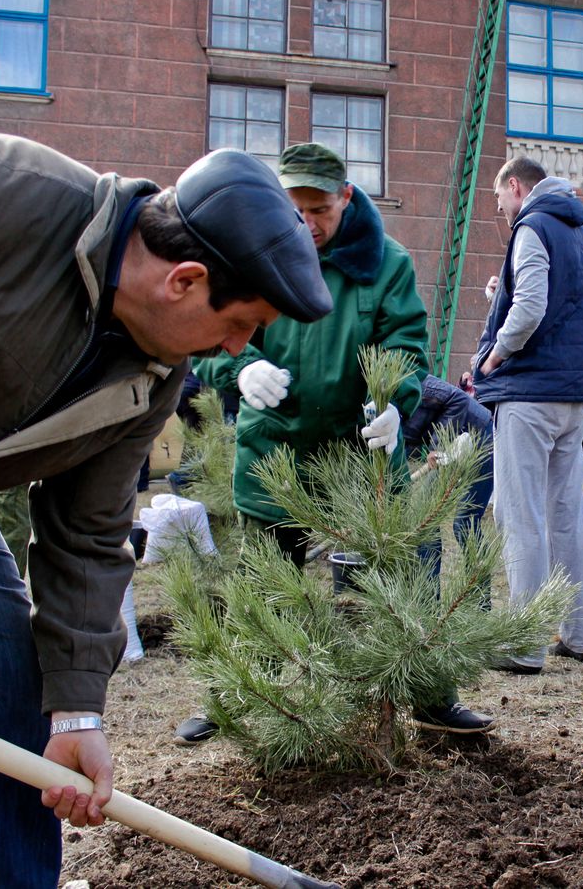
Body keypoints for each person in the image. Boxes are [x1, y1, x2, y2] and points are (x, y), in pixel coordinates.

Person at [0, 132, 332, 886]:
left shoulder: (151, 377)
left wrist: (77, 714)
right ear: (187, 280)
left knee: (12, 686)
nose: (237, 350)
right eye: (242, 324)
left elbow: (89, 532)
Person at [191, 142, 493, 736]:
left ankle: (431, 698)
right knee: (262, 587)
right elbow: (203, 332)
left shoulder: (386, 264)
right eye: (295, 209)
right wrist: (240, 368)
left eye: (320, 210)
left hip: (365, 456)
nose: (308, 224)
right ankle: (237, 698)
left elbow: (406, 348)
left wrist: (393, 404)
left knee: (399, 583)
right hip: (274, 454)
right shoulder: (251, 254)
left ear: (346, 198)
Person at [473, 156, 583, 674]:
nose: (498, 207)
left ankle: (524, 644)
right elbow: (561, 302)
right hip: (572, 395)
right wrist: (497, 297)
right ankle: (579, 634)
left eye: (499, 196)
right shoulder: (579, 233)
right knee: (566, 513)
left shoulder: (531, 226)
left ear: (516, 186)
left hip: (528, 395)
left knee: (518, 514)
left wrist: (494, 355)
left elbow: (530, 306)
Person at [403, 373, 495, 607]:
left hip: (479, 436)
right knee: (425, 522)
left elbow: (459, 400)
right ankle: (428, 605)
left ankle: (480, 604)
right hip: (448, 448)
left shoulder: (410, 382)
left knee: (465, 523)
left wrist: (437, 446)